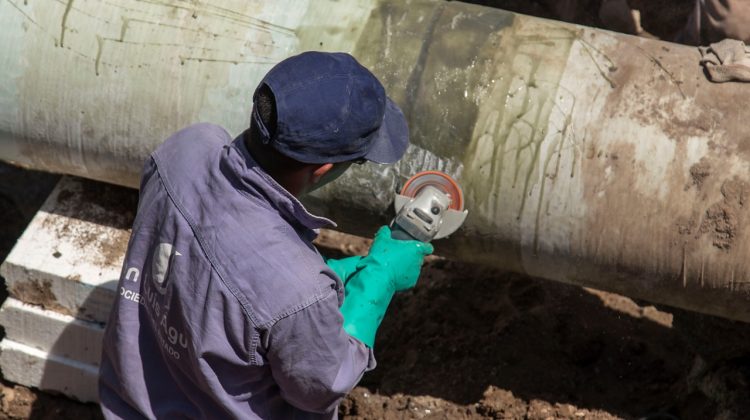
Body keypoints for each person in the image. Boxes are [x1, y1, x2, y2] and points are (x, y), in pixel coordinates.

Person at [98, 51, 433, 419]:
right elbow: (320, 388)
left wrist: (322, 282)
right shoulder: (296, 290)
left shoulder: (187, 147)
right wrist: (378, 280)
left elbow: (208, 268)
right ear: (321, 170)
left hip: (130, 403)